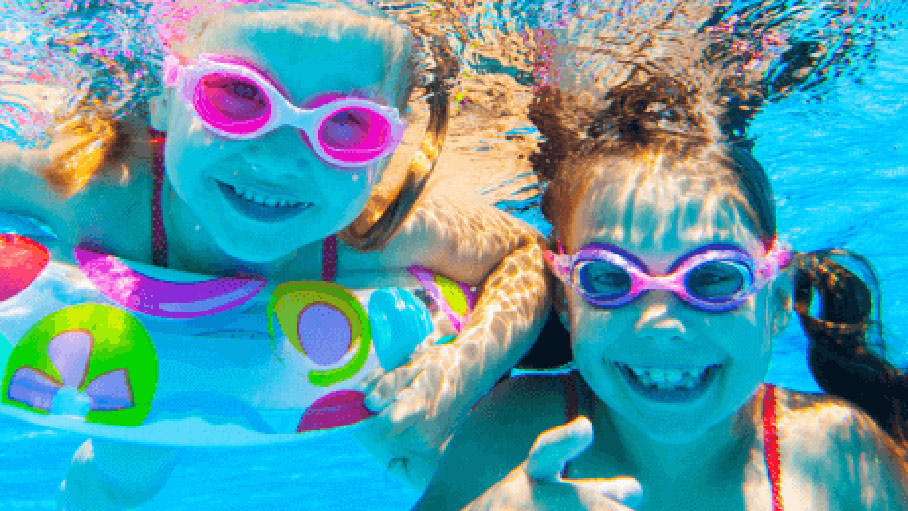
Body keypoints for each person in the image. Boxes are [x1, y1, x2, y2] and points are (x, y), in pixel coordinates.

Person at [0, 0, 551, 508]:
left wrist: (460, 372)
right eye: (237, 95)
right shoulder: (99, 190)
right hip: (135, 341)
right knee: (125, 469)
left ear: (387, 155)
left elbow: (526, 251)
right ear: (166, 100)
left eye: (348, 123)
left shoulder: (376, 231)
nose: (282, 159)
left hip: (331, 355)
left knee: (414, 451)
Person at [413, 48, 908, 511]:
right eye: (607, 278)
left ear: (778, 300)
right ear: (566, 302)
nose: (660, 324)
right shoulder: (515, 432)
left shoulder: (834, 450)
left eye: (714, 277)